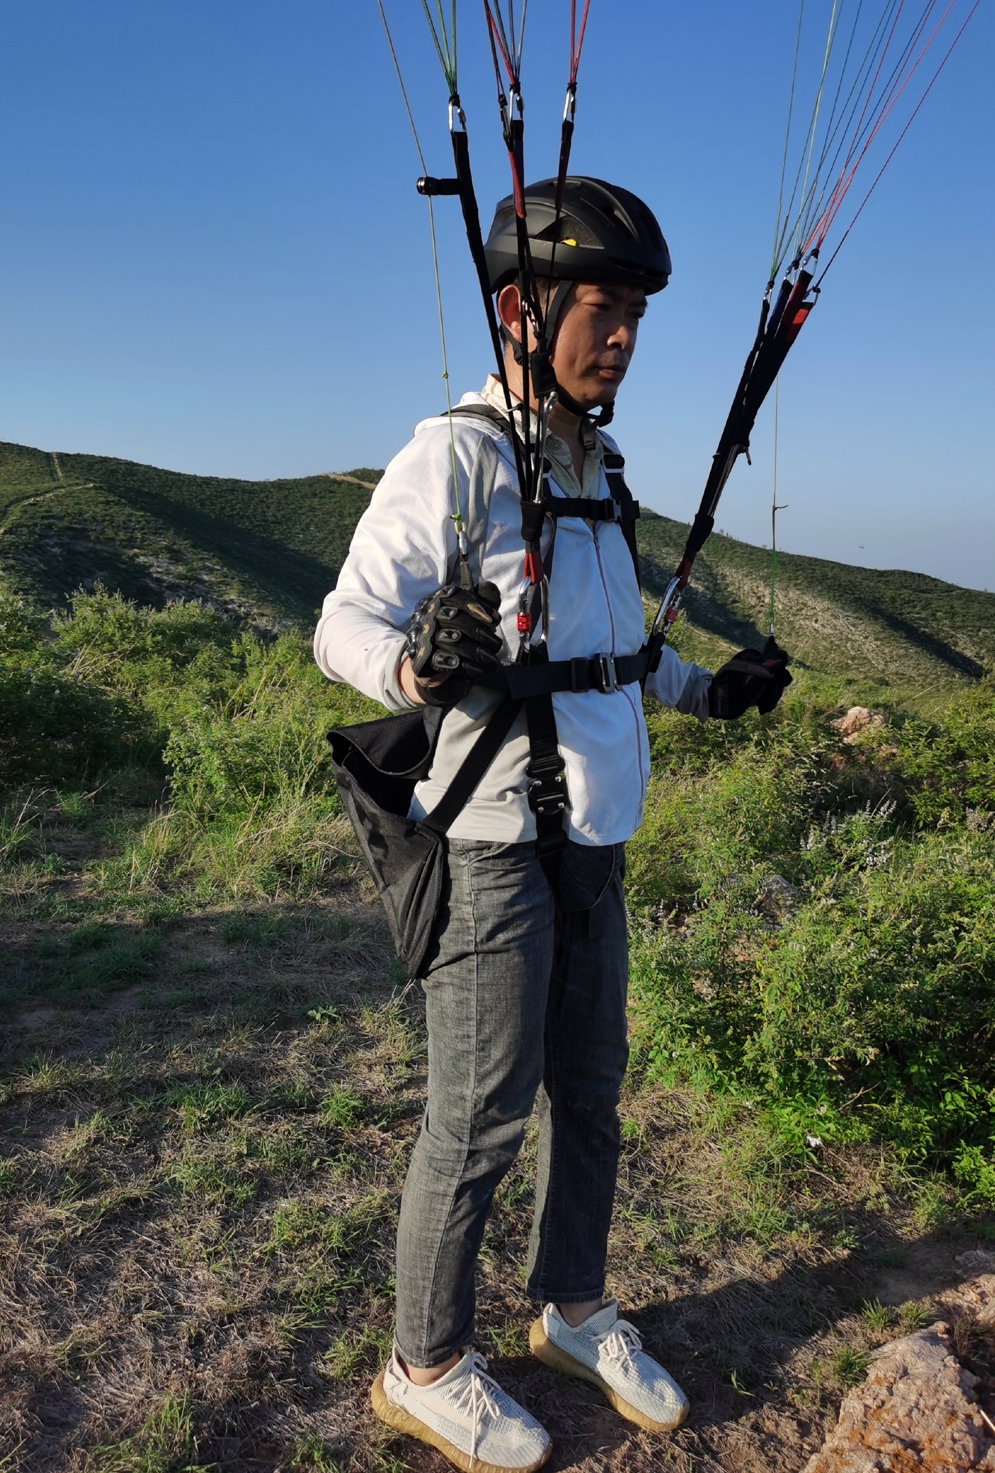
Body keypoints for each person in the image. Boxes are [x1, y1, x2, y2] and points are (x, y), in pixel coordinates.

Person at [315, 177, 790, 1473]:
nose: (625, 335)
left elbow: (611, 650)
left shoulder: (599, 466)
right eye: (603, 308)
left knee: (590, 1093)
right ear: (523, 312)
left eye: (637, 312)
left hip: (595, 834)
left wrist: (709, 690)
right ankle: (424, 1365)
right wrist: (417, 662)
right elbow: (343, 622)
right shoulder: (457, 455)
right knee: (479, 1113)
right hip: (490, 843)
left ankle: (573, 1307)